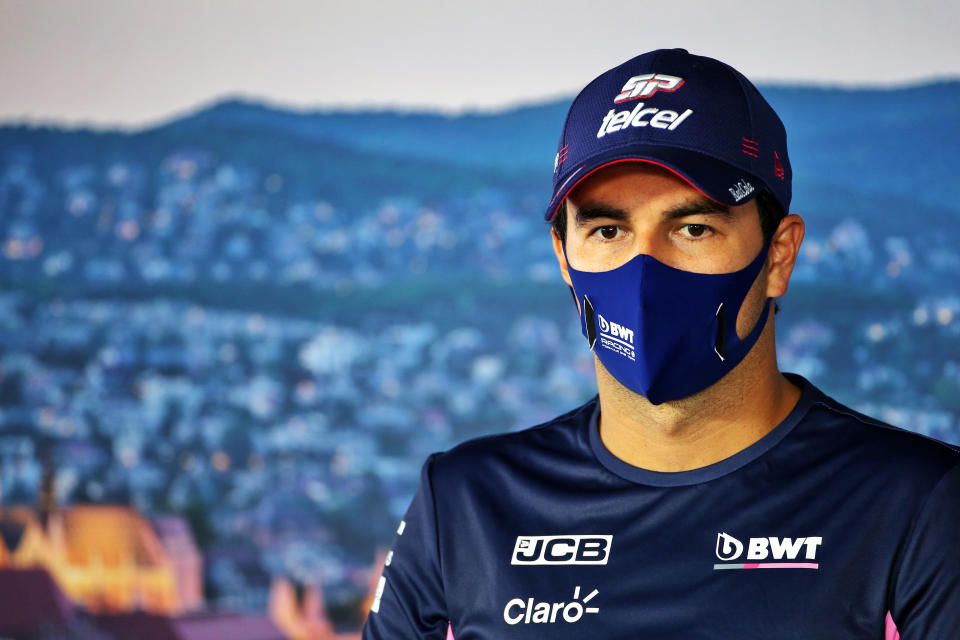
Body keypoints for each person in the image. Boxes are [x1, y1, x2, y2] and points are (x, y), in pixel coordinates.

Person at [362, 48, 960, 639]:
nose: (644, 268)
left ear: (779, 255)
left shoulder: (918, 504)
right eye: (607, 230)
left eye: (693, 228)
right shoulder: (464, 503)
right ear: (564, 257)